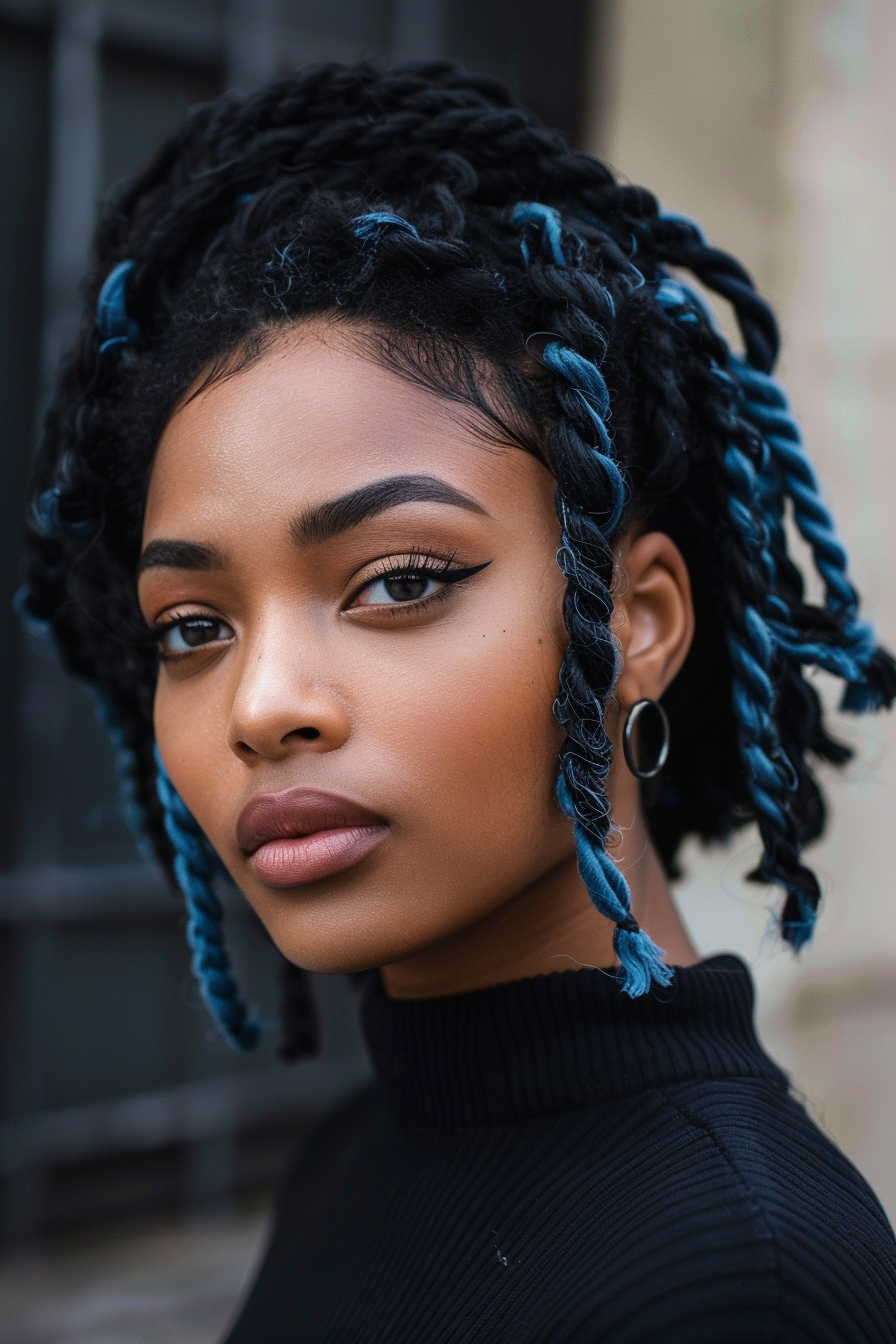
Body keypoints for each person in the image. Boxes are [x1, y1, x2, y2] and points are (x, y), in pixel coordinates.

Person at [20, 60, 896, 1343]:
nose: (262, 705)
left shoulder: (734, 1283)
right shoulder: (352, 1153)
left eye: (399, 581)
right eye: (194, 628)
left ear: (638, 622)